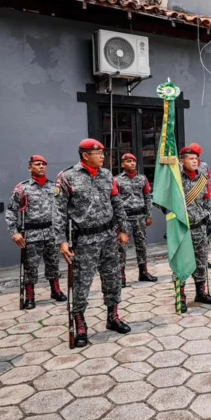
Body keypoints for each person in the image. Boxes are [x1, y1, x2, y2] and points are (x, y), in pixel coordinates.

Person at [55, 138, 131, 345]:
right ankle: (79, 322)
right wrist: (61, 241)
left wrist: (123, 229)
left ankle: (113, 316)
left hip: (108, 237)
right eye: (98, 153)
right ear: (85, 155)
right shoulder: (67, 177)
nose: (102, 156)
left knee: (113, 278)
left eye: (103, 153)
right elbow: (59, 212)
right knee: (82, 284)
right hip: (84, 240)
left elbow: (117, 203)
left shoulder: (107, 175)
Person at [6, 155, 67, 309]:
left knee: (53, 263)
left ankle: (56, 290)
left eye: (44, 164)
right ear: (30, 168)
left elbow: (62, 210)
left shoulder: (55, 187)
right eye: (37, 164)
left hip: (51, 231)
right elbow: (11, 211)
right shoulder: (22, 188)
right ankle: (30, 295)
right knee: (30, 266)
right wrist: (14, 231)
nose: (41, 167)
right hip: (32, 233)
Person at [179, 145, 211, 307]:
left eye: (196, 159)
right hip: (182, 227)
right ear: (182, 161)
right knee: (181, 262)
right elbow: (164, 202)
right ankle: (180, 295)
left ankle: (201, 292)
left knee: (201, 261)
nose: (194, 161)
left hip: (199, 227)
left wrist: (210, 219)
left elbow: (207, 201)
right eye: (191, 159)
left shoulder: (203, 179)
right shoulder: (176, 178)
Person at [115, 153, 157, 286]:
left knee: (142, 245)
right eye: (128, 161)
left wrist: (149, 215)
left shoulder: (142, 179)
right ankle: (121, 275)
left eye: (133, 161)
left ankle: (143, 272)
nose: (132, 163)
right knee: (122, 247)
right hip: (125, 217)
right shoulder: (116, 180)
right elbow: (114, 201)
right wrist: (117, 220)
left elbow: (147, 197)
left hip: (140, 217)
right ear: (122, 164)